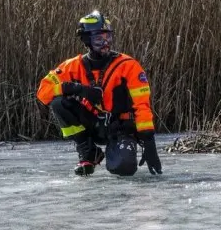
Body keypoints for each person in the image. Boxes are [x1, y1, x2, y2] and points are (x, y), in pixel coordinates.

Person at [36, 10, 162, 176]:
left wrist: (149, 142)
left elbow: (142, 105)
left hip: (120, 127)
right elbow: (42, 92)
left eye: (108, 37)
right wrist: (75, 89)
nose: (105, 43)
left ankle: (119, 150)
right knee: (59, 103)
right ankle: (88, 152)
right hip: (93, 124)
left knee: (123, 168)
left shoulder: (128, 66)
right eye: (98, 39)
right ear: (86, 41)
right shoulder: (72, 66)